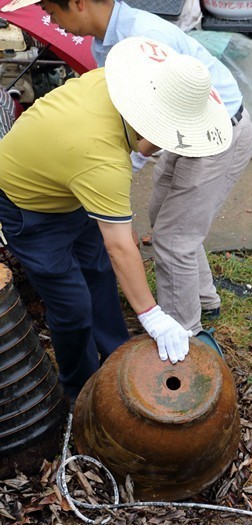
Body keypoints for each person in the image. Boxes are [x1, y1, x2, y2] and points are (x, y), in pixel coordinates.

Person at [4, 0, 252, 339]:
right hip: (179, 132)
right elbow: (129, 122)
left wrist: (122, 172)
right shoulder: (105, 43)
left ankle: (185, 335)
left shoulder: (140, 37)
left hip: (212, 129)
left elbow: (157, 124)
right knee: (165, 215)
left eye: (53, 12)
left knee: (173, 239)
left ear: (79, 3)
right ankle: (204, 300)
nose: (52, 21)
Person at [0, 36, 230, 400]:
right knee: (72, 305)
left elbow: (114, 246)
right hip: (28, 206)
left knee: (99, 274)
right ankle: (83, 390)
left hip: (69, 184)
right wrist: (152, 316)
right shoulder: (101, 158)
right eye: (170, 136)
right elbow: (121, 246)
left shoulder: (117, 86)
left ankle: (119, 357)